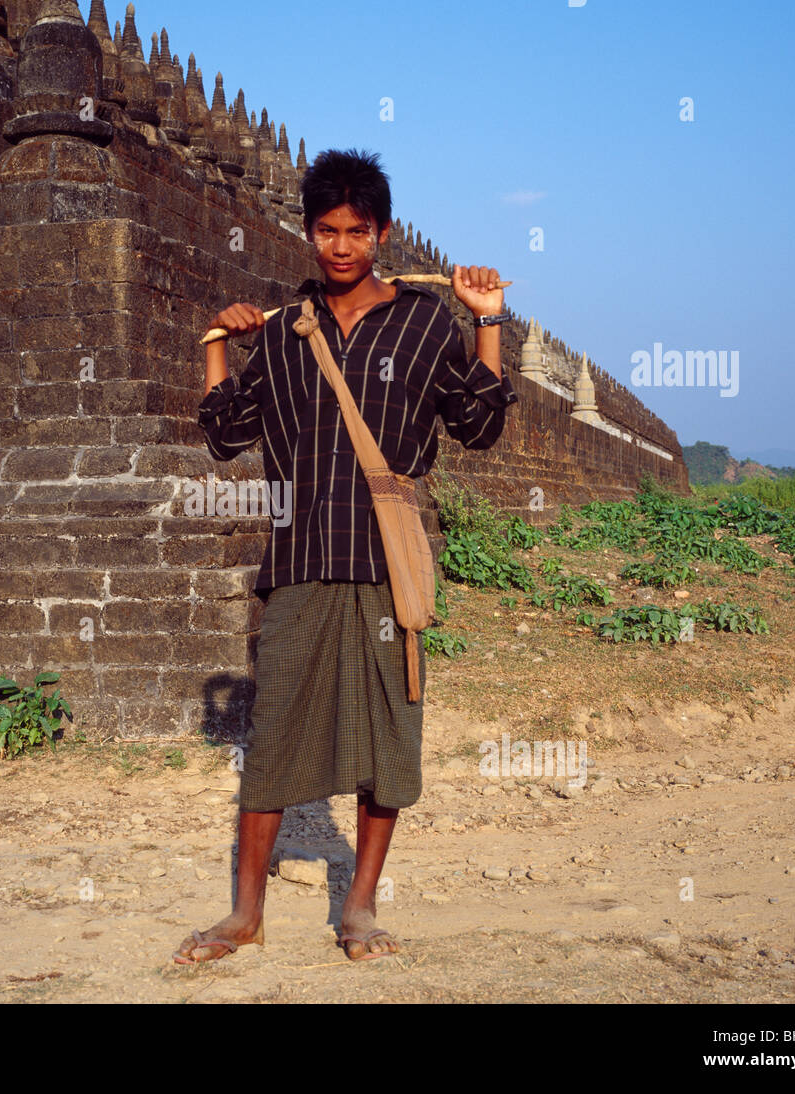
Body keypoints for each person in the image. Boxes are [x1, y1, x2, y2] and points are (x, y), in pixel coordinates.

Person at [174, 148, 518, 963]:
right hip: (299, 561)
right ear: (306, 233)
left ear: (382, 234)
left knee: (388, 741)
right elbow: (224, 437)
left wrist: (489, 321)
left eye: (356, 232)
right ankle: (244, 916)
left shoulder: (426, 323)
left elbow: (481, 424)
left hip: (385, 566)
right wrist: (221, 341)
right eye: (325, 231)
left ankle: (359, 909)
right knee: (273, 740)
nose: (339, 247)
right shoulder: (288, 333)